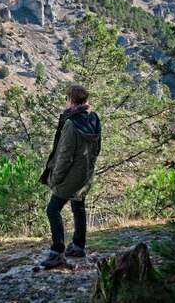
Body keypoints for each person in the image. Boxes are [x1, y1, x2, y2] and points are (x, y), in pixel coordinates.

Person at [39, 84, 101, 268]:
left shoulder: (71, 124)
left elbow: (65, 155)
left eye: (67, 98)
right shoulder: (94, 118)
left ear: (71, 100)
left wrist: (56, 176)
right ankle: (78, 246)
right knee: (78, 205)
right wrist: (88, 166)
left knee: (52, 210)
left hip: (71, 174)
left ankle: (57, 252)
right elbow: (98, 148)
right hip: (86, 172)